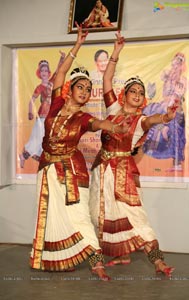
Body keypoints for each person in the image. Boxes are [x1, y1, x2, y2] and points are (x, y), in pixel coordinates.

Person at [29, 24, 127, 281]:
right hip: (47, 167)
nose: (84, 92)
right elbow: (60, 73)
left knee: (80, 217)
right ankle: (58, 260)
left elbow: (96, 124)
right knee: (52, 215)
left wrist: (108, 124)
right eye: (80, 87)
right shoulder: (57, 103)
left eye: (87, 89)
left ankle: (96, 263)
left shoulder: (84, 117)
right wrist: (78, 44)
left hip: (72, 171)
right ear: (70, 89)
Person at [89, 31, 177, 277]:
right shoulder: (114, 109)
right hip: (100, 169)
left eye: (140, 93)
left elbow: (153, 120)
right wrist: (116, 51)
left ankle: (158, 262)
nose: (137, 95)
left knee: (136, 217)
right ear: (124, 94)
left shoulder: (140, 120)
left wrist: (167, 117)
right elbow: (107, 80)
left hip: (123, 173)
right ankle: (122, 254)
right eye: (133, 91)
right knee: (100, 213)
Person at [19, 52, 65, 168]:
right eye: (42, 71)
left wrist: (62, 58)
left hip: (50, 115)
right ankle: (24, 156)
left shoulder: (51, 83)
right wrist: (30, 111)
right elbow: (31, 100)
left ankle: (39, 160)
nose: (44, 73)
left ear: (48, 73)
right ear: (39, 73)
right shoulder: (39, 87)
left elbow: (58, 71)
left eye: (46, 71)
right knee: (37, 138)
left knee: (45, 138)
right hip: (42, 116)